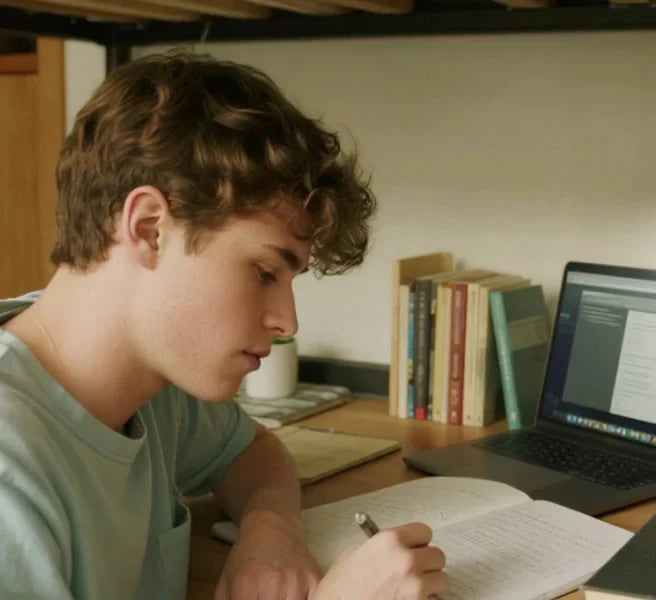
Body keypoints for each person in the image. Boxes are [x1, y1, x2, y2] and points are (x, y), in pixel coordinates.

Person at [0, 52, 448, 600]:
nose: (287, 320)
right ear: (149, 228)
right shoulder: (10, 473)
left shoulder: (150, 383)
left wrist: (271, 526)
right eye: (263, 272)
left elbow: (249, 450)